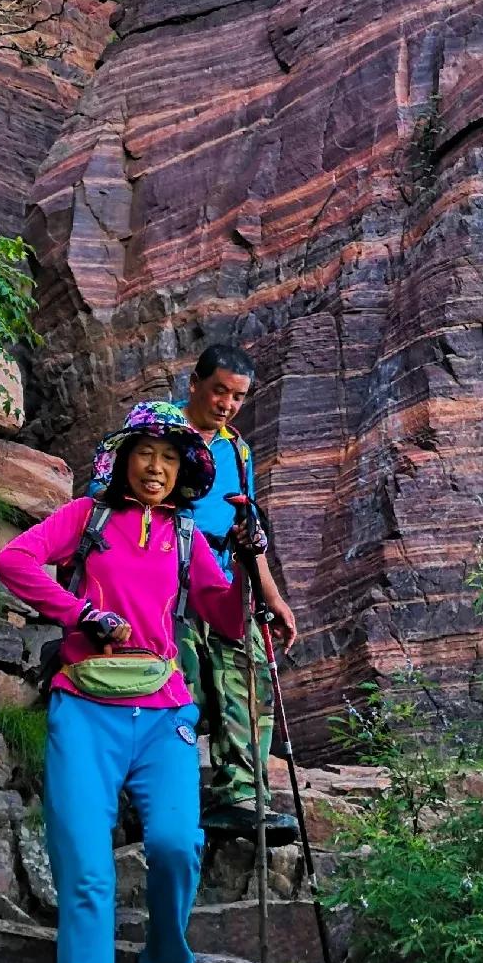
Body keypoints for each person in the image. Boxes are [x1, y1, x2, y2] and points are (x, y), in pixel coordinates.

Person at [0, 402, 268, 963]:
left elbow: (228, 619)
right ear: (122, 457)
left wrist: (244, 562)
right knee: (87, 878)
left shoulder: (183, 537)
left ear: (184, 475)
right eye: (146, 452)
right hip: (84, 710)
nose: (156, 467)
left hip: (164, 709)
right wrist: (78, 613)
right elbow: (13, 560)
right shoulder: (85, 517)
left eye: (171, 459)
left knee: (179, 846)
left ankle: (165, 962)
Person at [174, 343, 300, 844]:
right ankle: (172, 797)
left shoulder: (238, 450)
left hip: (227, 581)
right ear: (195, 384)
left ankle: (242, 799)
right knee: (183, 689)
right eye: (219, 390)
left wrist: (272, 596)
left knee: (248, 678)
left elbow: (247, 526)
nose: (226, 403)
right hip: (170, 577)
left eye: (238, 396)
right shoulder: (161, 435)